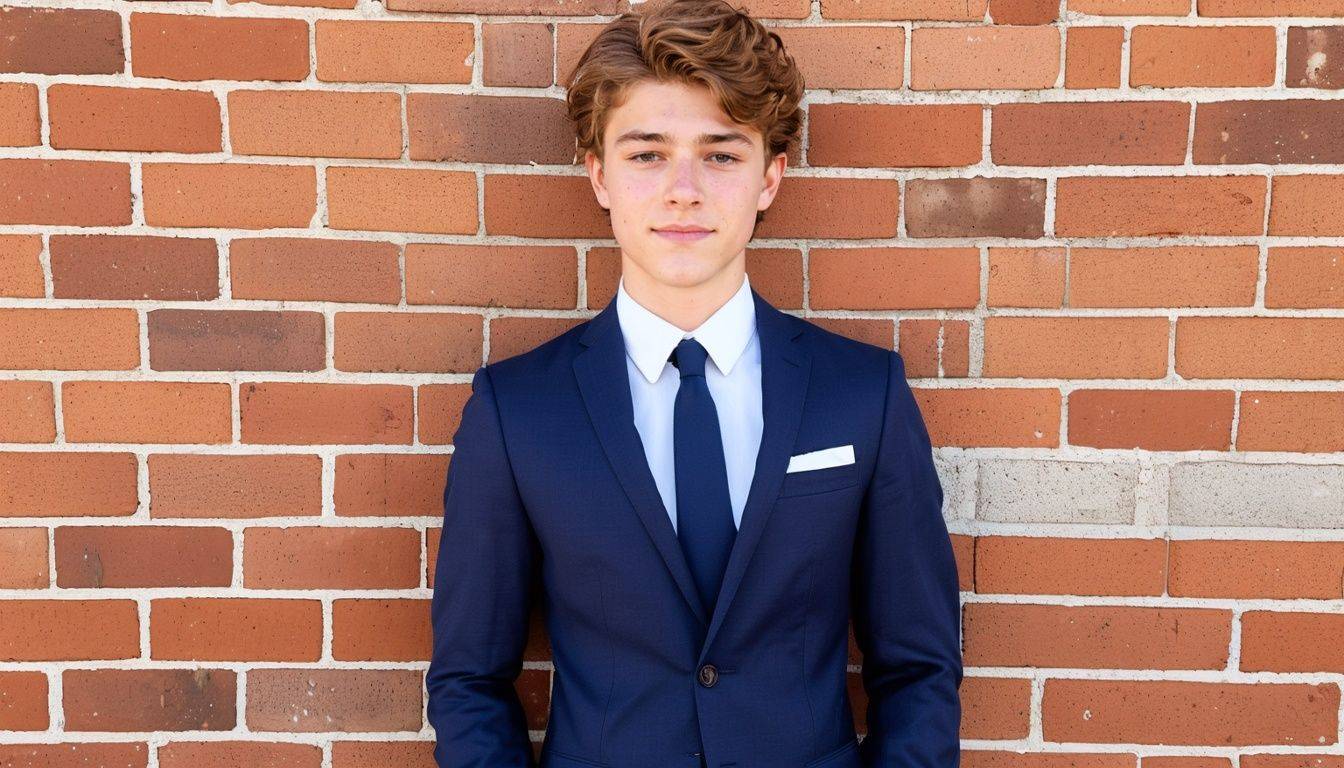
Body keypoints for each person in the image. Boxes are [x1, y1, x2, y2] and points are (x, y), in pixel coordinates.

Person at [425, 0, 963, 765]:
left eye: (721, 153)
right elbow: (470, 679)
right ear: (598, 175)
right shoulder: (517, 412)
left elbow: (919, 670)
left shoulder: (862, 394)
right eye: (647, 154)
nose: (684, 188)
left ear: (770, 178)